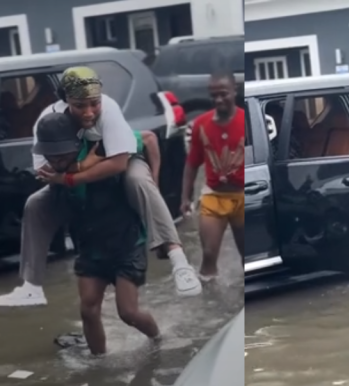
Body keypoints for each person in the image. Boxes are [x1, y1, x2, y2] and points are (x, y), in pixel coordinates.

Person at [0, 66, 202, 307]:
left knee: (137, 180)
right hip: (80, 175)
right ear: (65, 101)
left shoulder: (109, 110)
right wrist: (83, 164)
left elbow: (118, 163)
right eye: (80, 105)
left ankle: (179, 261)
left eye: (93, 103)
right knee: (35, 204)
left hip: (124, 161)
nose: (89, 112)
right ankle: (31, 286)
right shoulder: (48, 123)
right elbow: (46, 171)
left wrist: (72, 175)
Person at [34, 111, 160, 355]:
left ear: (75, 142)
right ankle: (99, 364)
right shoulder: (52, 172)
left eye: (61, 153)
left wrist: (153, 180)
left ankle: (158, 340)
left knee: (128, 312)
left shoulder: (102, 148)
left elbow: (149, 138)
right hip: (90, 246)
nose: (56, 160)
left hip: (126, 242)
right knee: (88, 310)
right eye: (51, 154)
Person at [182, 72, 244, 278]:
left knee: (248, 255)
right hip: (213, 197)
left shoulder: (247, 120)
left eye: (223, 94)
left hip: (243, 196)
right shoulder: (201, 124)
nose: (218, 100)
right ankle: (210, 301)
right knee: (208, 255)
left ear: (235, 91)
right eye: (213, 95)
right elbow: (191, 164)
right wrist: (185, 198)